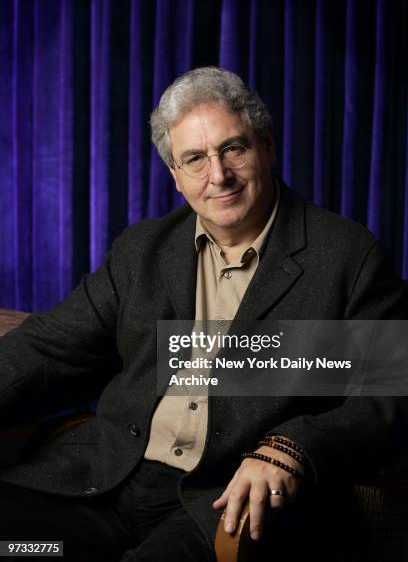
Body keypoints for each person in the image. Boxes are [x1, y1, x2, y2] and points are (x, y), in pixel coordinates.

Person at [0, 67, 407, 562]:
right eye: (194, 158)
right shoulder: (143, 251)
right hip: (109, 482)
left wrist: (292, 446)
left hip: (221, 501)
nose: (218, 176)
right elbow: (49, 348)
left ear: (267, 146)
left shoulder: (347, 257)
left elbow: (387, 395)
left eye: (233, 148)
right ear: (175, 175)